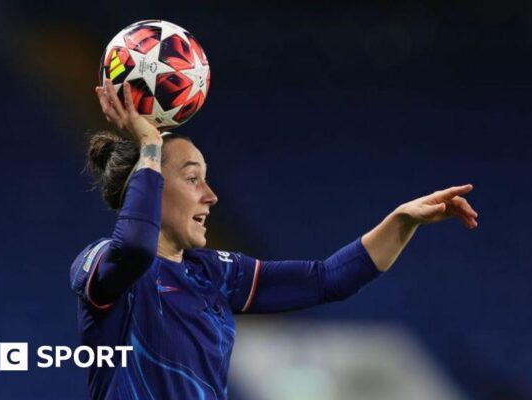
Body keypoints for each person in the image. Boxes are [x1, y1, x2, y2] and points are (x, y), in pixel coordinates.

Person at [70, 79, 478, 400]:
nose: (210, 196)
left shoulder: (211, 273)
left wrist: (401, 221)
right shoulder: (105, 267)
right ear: (152, 186)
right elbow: (137, 247)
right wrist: (151, 145)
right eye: (193, 178)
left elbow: (326, 280)